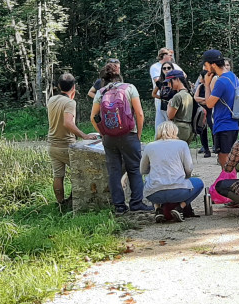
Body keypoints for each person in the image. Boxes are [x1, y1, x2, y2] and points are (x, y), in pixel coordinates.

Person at [90, 62, 150, 214]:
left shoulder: (101, 92)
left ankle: (119, 206)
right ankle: (136, 203)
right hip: (129, 134)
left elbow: (93, 117)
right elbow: (140, 114)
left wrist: (103, 133)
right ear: (120, 76)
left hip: (109, 137)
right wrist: (138, 134)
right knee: (134, 168)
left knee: (114, 171)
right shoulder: (129, 88)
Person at [47, 73, 98, 210]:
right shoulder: (70, 102)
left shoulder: (51, 100)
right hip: (66, 145)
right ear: (74, 87)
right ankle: (79, 202)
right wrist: (84, 136)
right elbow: (68, 123)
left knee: (58, 176)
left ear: (58, 86)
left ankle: (61, 204)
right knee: (82, 172)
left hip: (52, 145)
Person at [141, 122, 203, 223]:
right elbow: (189, 168)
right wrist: (186, 177)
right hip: (179, 191)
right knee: (199, 183)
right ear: (175, 132)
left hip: (154, 194)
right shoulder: (182, 144)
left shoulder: (149, 146)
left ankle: (157, 209)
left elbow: (142, 170)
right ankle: (180, 207)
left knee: (149, 182)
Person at [202, 49, 239, 169]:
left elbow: (209, 104)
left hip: (224, 124)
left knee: (225, 163)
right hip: (234, 123)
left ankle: (230, 185)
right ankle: (229, 184)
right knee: (229, 162)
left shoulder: (221, 82)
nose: (205, 68)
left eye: (206, 65)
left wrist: (207, 85)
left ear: (213, 65)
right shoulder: (232, 76)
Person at [150, 48, 185, 137]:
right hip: (162, 101)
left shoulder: (174, 65)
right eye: (169, 55)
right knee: (161, 124)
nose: (167, 69)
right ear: (164, 55)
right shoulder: (155, 67)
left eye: (169, 68)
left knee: (173, 124)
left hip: (175, 100)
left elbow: (183, 76)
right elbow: (157, 81)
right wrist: (162, 97)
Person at [162, 70, 195, 143]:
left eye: (169, 82)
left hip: (179, 129)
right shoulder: (189, 93)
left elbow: (170, 116)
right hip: (189, 129)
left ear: (177, 79)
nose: (168, 85)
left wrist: (169, 106)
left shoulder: (177, 96)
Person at [192, 69, 213, 157]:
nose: (199, 78)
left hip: (211, 110)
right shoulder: (200, 86)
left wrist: (206, 101)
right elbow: (195, 98)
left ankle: (216, 146)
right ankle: (206, 149)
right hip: (202, 110)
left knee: (212, 127)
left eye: (201, 76)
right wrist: (206, 100)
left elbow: (212, 99)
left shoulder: (211, 86)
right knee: (202, 129)